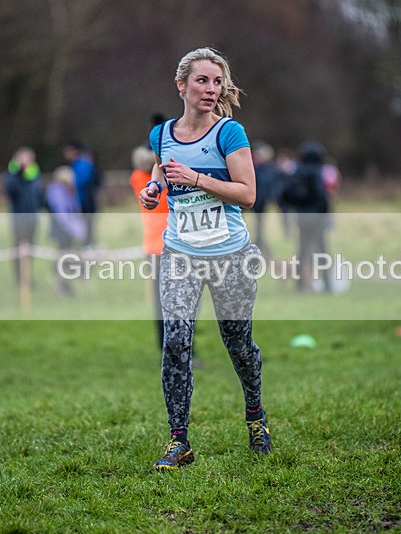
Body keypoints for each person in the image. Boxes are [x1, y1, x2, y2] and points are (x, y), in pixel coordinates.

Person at [140, 47, 271, 470]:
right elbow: (163, 169)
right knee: (175, 342)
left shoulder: (229, 133)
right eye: (202, 81)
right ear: (182, 85)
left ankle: (255, 416)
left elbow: (248, 194)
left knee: (237, 344)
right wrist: (154, 190)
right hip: (180, 251)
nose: (211, 89)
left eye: (217, 82)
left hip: (230, 254)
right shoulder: (161, 134)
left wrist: (196, 178)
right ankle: (180, 442)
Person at [130, 144, 170, 349]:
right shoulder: (157, 181)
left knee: (160, 301)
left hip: (153, 247)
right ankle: (175, 347)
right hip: (169, 247)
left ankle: (163, 344)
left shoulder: (137, 178)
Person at [279, 141, 331, 292]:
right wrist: (325, 212)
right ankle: (327, 283)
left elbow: (285, 194)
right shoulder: (316, 172)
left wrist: (295, 206)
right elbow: (322, 196)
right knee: (322, 251)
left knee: (302, 250)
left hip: (301, 217)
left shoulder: (297, 172)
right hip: (316, 217)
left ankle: (300, 284)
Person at [3, 147, 44, 286]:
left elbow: (39, 196)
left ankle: (28, 278)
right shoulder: (12, 175)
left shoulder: (35, 175)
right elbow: (10, 189)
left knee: (30, 249)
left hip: (32, 217)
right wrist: (19, 172)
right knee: (18, 249)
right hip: (18, 217)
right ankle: (19, 280)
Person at [45, 166, 87, 296]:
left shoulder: (68, 191)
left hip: (67, 232)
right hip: (61, 231)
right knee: (63, 259)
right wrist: (75, 230)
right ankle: (61, 286)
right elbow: (61, 214)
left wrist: (79, 228)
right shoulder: (56, 191)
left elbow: (74, 209)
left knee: (67, 258)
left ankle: (65, 285)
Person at [62, 142, 99, 247]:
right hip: (79, 205)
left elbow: (82, 184)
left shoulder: (83, 165)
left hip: (85, 205)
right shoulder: (77, 165)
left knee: (86, 235)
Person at [251, 140, 279, 255]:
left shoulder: (267, 167)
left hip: (261, 201)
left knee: (260, 226)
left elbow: (270, 184)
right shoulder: (252, 165)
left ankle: (260, 244)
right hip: (252, 199)